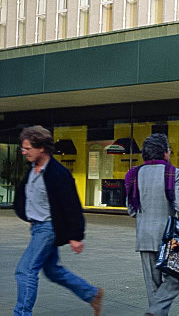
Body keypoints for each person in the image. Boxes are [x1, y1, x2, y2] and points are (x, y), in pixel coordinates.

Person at [13, 125, 103, 316]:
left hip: (47, 229)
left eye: (28, 148)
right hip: (37, 227)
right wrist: (28, 215)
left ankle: (21, 314)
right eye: (23, 148)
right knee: (52, 271)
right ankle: (92, 294)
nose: (24, 152)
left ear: (41, 148)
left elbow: (72, 206)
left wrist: (75, 236)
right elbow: (25, 197)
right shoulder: (33, 171)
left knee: (25, 270)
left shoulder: (58, 174)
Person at [126, 133, 179, 316]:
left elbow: (131, 210)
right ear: (165, 153)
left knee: (152, 285)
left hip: (144, 236)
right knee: (175, 278)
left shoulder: (134, 174)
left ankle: (154, 311)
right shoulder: (172, 172)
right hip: (168, 235)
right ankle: (154, 311)